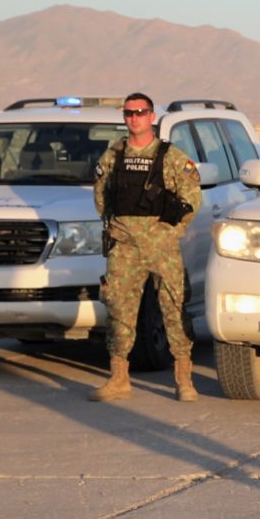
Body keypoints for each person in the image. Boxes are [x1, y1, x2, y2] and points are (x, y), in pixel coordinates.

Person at [90, 93, 201, 402]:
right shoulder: (113, 156)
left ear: (152, 116)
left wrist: (171, 230)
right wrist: (117, 227)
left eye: (140, 112)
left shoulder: (171, 156)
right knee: (118, 309)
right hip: (124, 246)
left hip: (161, 245)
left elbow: (192, 198)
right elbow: (101, 196)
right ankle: (119, 378)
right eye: (129, 113)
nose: (134, 117)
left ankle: (184, 379)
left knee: (173, 308)